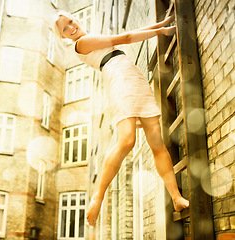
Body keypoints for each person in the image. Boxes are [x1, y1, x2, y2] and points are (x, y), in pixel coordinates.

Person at [54, 11, 190, 227]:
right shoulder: (82, 43)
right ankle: (97, 197)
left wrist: (161, 24)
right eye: (64, 28)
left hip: (130, 74)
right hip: (119, 79)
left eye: (71, 21)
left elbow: (127, 35)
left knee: (157, 143)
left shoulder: (91, 38)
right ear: (63, 36)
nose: (71, 27)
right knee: (127, 140)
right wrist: (161, 31)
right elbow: (126, 38)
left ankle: (176, 198)